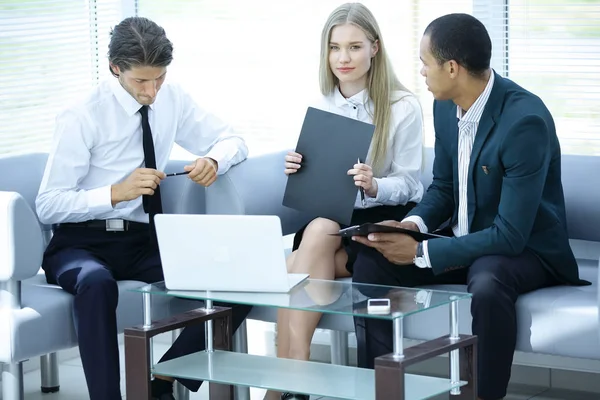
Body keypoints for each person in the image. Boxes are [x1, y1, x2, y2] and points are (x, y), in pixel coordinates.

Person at [350, 13, 589, 400]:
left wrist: (423, 252)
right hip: (464, 240)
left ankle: (482, 395)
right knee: (371, 264)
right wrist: (412, 225)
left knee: (488, 279)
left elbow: (510, 236)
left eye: (425, 62)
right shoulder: (445, 106)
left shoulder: (524, 121)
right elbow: (444, 187)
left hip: (525, 250)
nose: (421, 72)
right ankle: (377, 390)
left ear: (452, 67)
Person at [36, 17, 252, 400]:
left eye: (159, 79)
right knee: (95, 283)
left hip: (144, 239)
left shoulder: (173, 98)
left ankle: (163, 381)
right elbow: (48, 205)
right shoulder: (82, 116)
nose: (152, 91)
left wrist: (215, 161)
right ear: (115, 68)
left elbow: (232, 138)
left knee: (240, 278)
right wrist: (114, 193)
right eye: (141, 81)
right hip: (80, 244)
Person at [275, 3, 424, 399]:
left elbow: (412, 185)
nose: (343, 58)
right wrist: (296, 166)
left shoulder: (402, 106)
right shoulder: (324, 101)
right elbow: (319, 178)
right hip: (332, 217)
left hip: (381, 220)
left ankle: (287, 382)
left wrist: (375, 186)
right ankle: (296, 375)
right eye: (335, 47)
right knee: (320, 229)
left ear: (375, 48)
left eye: (355, 47)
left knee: (293, 271)